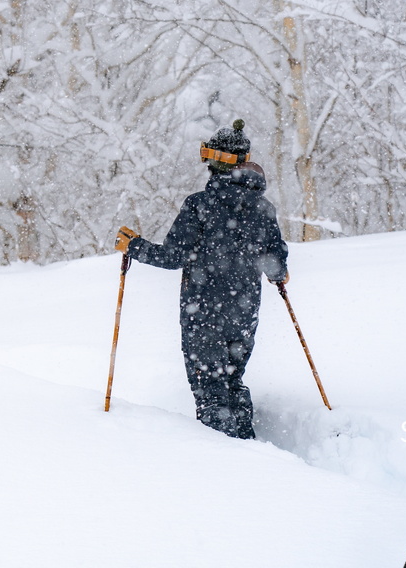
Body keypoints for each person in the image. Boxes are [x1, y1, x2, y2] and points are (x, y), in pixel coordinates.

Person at [115, 119, 288, 440]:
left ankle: (226, 462)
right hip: (244, 316)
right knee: (232, 382)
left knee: (211, 390)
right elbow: (277, 269)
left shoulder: (200, 205)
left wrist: (133, 246)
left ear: (213, 160)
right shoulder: (263, 207)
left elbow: (172, 257)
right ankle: (251, 448)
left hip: (204, 317)